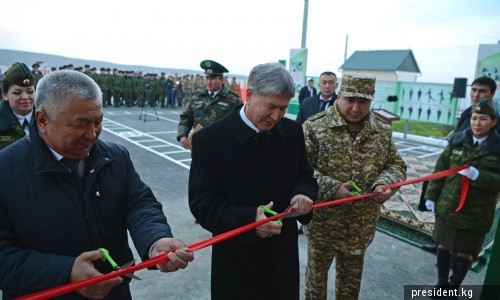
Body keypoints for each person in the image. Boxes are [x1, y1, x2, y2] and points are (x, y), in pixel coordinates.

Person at [0, 70, 194, 299]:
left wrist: (155, 240)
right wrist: (66, 272)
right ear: (42, 120)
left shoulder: (115, 157)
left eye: (98, 121)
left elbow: (139, 204)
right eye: (80, 124)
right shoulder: (6, 171)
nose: (92, 135)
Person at [189, 62, 318, 300]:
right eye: (270, 106)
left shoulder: (292, 132)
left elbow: (305, 176)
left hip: (282, 260)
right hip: (236, 262)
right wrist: (249, 220)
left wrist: (303, 193)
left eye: (283, 108)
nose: (276, 116)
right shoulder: (210, 140)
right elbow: (202, 204)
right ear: (249, 94)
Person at [302, 74, 407, 300]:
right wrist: (332, 187)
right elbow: (299, 170)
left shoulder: (381, 130)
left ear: (371, 101)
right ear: (339, 95)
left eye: (363, 102)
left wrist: (385, 184)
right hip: (324, 223)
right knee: (315, 281)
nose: (356, 108)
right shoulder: (314, 127)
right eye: (350, 100)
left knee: (350, 285)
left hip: (360, 224)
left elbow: (396, 165)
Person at [424, 98, 500, 299]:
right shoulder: (458, 140)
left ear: (493, 122)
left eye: (483, 119)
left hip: (476, 210)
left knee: (465, 251)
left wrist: (479, 176)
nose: (477, 123)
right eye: (474, 118)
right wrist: (431, 196)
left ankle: (454, 287)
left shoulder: (497, 148)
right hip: (449, 204)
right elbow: (440, 169)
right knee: (444, 244)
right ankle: (441, 284)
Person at [419, 76, 498, 252]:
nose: (477, 94)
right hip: (454, 167)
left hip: (474, 185)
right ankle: (440, 242)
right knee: (443, 208)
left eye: (482, 91)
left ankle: (456, 252)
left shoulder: (494, 121)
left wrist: (477, 174)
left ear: (492, 94)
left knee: (464, 239)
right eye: (474, 90)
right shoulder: (467, 111)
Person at [177, 60, 241, 150]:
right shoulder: (197, 96)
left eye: (213, 78)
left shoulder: (233, 99)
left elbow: (239, 125)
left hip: (222, 148)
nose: (209, 82)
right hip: (199, 146)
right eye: (207, 78)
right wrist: (182, 135)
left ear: (222, 80)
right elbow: (185, 118)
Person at [0, 62, 36, 150]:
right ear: (5, 94)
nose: (25, 97)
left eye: (30, 91)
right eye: (17, 92)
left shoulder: (48, 118)